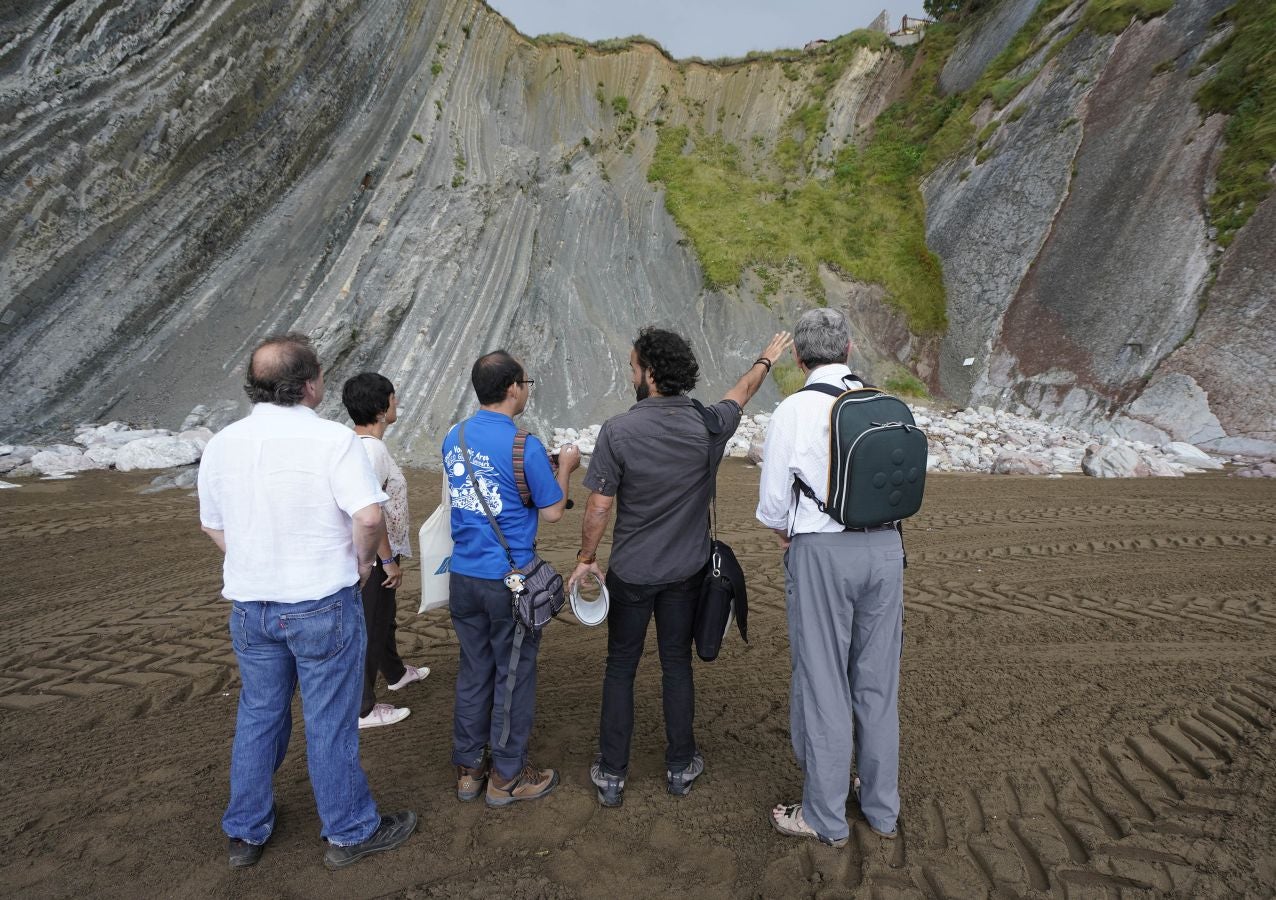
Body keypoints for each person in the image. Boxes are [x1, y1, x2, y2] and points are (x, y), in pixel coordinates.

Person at [198, 333, 416, 870]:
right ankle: (348, 830)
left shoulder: (224, 443)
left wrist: (254, 558)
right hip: (320, 600)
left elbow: (211, 523)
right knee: (329, 720)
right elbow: (368, 516)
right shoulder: (332, 441)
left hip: (252, 606)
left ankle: (246, 833)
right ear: (312, 385)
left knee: (260, 714)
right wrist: (363, 562)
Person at [568, 327, 793, 808]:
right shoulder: (707, 425)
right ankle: (679, 766)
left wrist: (586, 559)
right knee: (676, 664)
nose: (630, 373)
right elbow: (743, 393)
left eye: (632, 366)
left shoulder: (619, 430)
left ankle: (612, 773)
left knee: (620, 668)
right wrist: (765, 360)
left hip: (630, 572)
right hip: (685, 574)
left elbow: (599, 507)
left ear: (650, 373)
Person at [755, 308, 904, 847]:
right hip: (887, 549)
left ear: (797, 356)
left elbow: (773, 506)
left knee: (823, 683)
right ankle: (882, 807)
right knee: (877, 683)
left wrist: (786, 534)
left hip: (821, 550)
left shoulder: (793, 411)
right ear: (849, 351)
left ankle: (824, 815)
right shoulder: (884, 403)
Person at [442, 350, 581, 808]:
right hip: (509, 580)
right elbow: (555, 511)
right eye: (527, 382)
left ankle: (469, 770)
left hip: (463, 576)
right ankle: (506, 776)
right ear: (513, 388)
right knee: (513, 676)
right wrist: (566, 467)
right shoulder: (524, 446)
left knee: (474, 670)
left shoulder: (453, 437)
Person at [342, 372, 430, 730]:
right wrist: (388, 559)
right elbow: (371, 510)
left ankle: (394, 672)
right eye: (393, 398)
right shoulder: (372, 450)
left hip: (376, 551)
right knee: (371, 624)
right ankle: (363, 708)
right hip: (376, 555)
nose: (397, 403)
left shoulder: (355, 444)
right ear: (381, 407)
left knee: (384, 616)